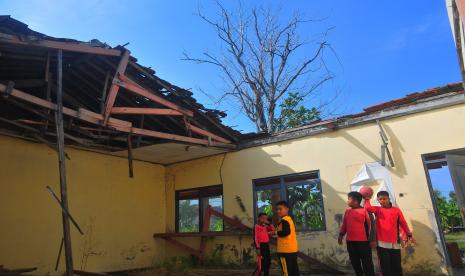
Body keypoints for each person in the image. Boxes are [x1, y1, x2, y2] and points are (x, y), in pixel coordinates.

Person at [364, 190, 415, 276]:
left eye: (384, 198)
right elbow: (368, 208)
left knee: (397, 265)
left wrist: (409, 235)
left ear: (389, 198)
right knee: (385, 266)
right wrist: (366, 198)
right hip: (381, 243)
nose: (382, 201)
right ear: (378, 200)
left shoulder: (396, 210)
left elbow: (403, 223)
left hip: (395, 243)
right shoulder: (377, 209)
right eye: (380, 199)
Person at [338, 191, 375, 276]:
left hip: (364, 242)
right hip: (350, 242)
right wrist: (341, 235)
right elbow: (344, 224)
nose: (347, 201)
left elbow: (371, 226)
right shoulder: (347, 211)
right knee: (355, 262)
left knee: (367, 263)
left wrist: (372, 240)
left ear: (356, 201)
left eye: (349, 199)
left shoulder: (365, 210)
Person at [273, 201, 300, 276]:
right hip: (292, 249)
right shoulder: (289, 219)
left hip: (285, 250)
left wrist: (275, 233)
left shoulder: (284, 220)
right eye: (277, 209)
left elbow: (285, 232)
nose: (278, 211)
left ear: (287, 209)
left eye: (280, 209)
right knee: (294, 270)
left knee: (287, 272)